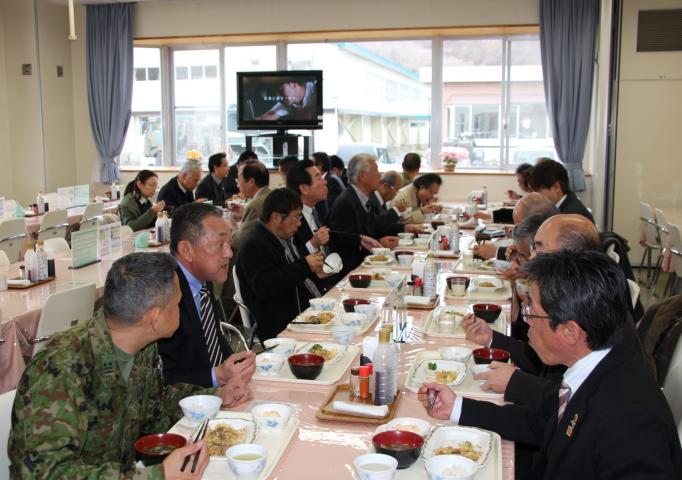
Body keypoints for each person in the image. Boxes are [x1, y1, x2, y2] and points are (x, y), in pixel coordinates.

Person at [421, 251, 682, 479]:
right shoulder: (598, 366)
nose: (527, 324)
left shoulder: (631, 423)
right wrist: (455, 407)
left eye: (531, 313)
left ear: (571, 332)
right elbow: (541, 420)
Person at [9, 252, 244, 478]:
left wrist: (215, 396)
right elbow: (48, 473)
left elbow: (156, 406)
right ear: (154, 317)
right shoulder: (60, 369)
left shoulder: (141, 348)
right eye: (177, 304)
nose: (181, 310)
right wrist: (157, 475)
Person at [158, 202, 256, 388]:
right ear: (187, 250)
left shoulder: (202, 279)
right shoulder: (163, 296)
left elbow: (213, 338)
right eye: (220, 244)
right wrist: (217, 376)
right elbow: (163, 380)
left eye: (229, 243)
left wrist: (237, 364)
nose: (229, 253)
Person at [235, 188, 328, 340]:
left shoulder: (281, 238)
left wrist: (315, 271)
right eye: (296, 218)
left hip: (301, 311)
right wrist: (305, 266)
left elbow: (291, 273)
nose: (299, 224)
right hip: (280, 323)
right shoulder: (254, 244)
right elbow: (265, 287)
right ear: (276, 217)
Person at [286, 159, 380, 278]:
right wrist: (312, 244)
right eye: (318, 178)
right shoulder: (291, 219)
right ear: (304, 188)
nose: (325, 182)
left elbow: (331, 235)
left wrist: (359, 239)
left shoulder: (315, 210)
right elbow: (289, 260)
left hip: (333, 275)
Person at [328, 153, 419, 270]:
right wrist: (378, 244)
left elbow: (375, 225)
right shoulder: (345, 202)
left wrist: (403, 228)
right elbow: (343, 240)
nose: (380, 175)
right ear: (362, 176)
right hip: (354, 269)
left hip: (368, 261)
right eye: (376, 170)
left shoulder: (364, 197)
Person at [472, 192, 557, 260]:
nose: (513, 231)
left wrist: (498, 252)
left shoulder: (556, 252)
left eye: (519, 226)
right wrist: (522, 257)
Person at [528, 159, 594, 223]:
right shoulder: (559, 205)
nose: (534, 196)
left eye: (537, 191)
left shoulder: (570, 217)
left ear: (556, 187)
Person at [231, 160, 271, 250]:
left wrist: (231, 223)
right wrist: (244, 215)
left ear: (251, 182)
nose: (237, 184)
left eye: (239, 179)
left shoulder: (255, 205)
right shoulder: (270, 194)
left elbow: (238, 242)